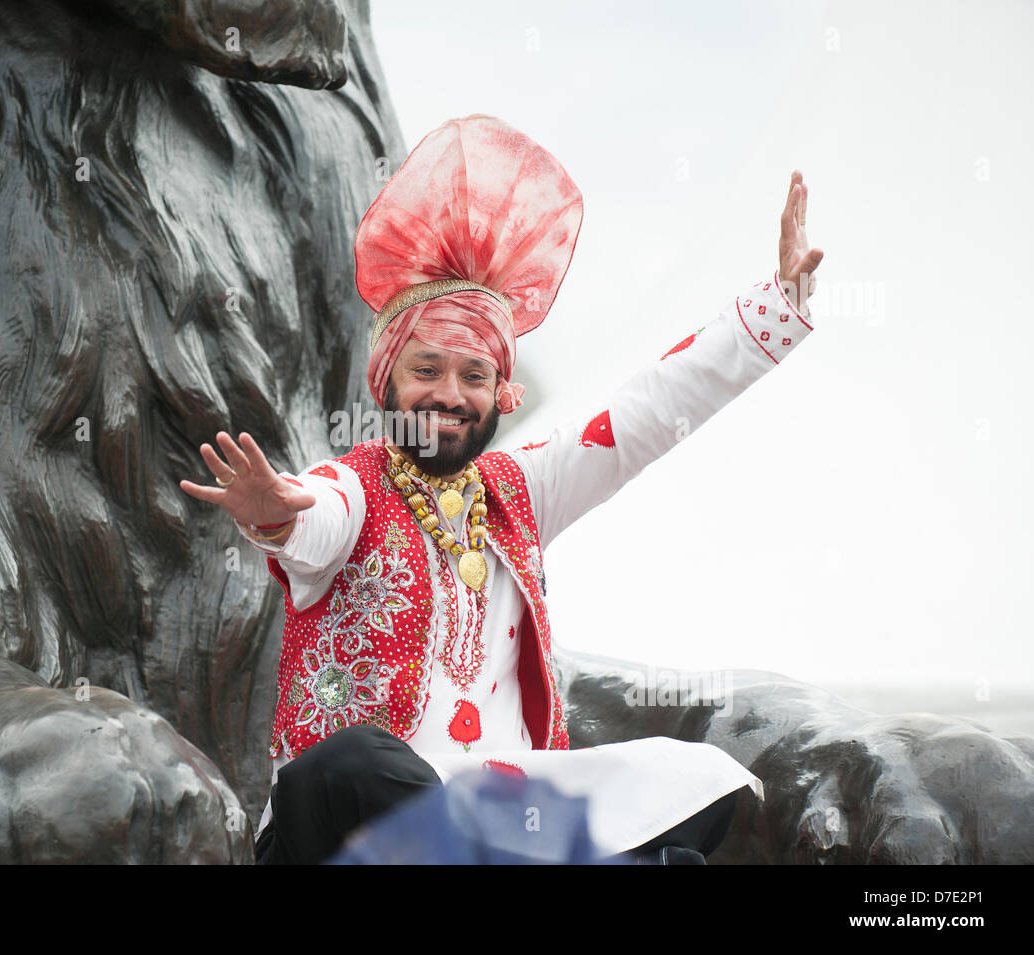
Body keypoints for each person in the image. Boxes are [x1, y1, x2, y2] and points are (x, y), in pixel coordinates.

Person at [180, 114, 823, 865]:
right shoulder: (351, 488)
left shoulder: (523, 489)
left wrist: (774, 312)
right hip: (354, 827)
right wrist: (279, 520)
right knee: (347, 763)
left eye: (473, 374)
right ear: (384, 380)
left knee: (700, 777)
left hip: (501, 810)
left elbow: (649, 408)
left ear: (502, 393)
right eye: (427, 370)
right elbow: (316, 512)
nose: (448, 394)